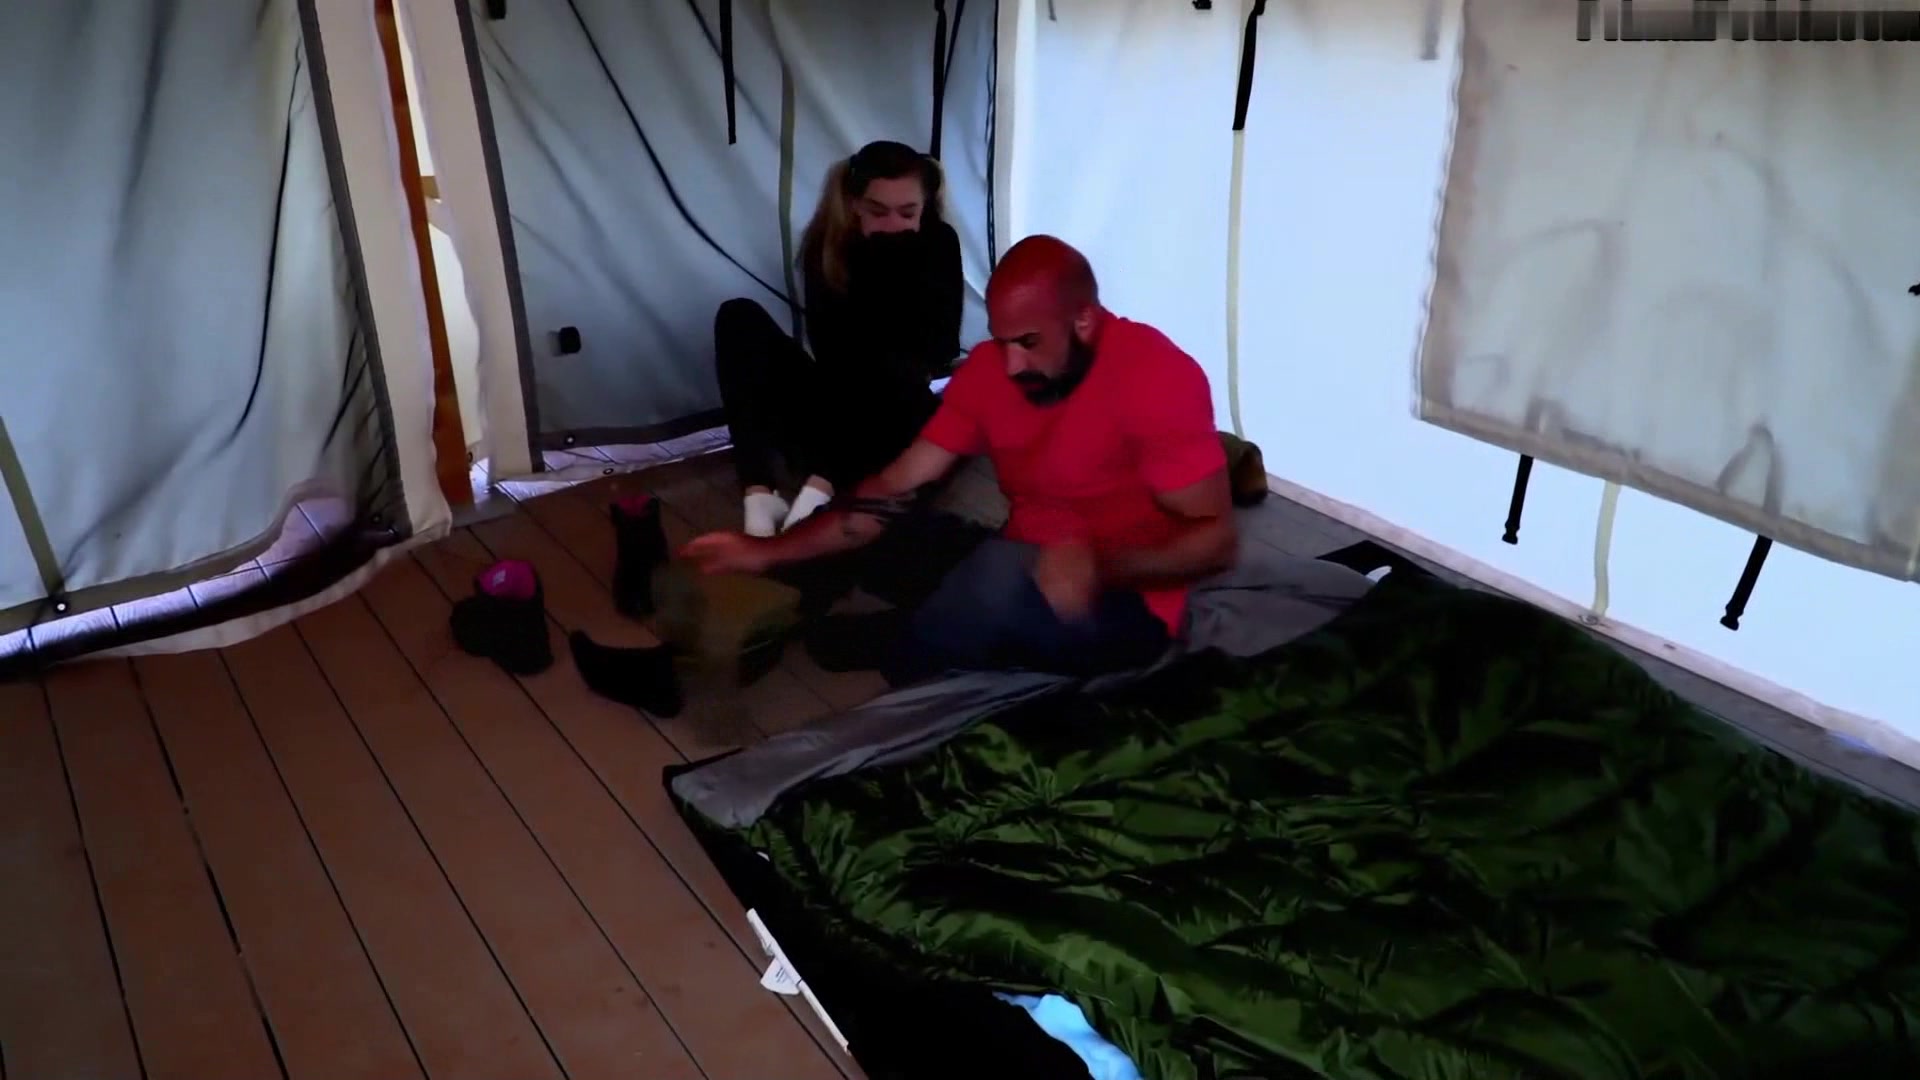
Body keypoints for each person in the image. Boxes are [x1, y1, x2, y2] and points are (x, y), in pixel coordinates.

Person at [683, 234, 1238, 685]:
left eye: (1028, 342)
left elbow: (1216, 542)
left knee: (990, 582)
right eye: (1000, 340)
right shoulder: (990, 371)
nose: (1012, 363)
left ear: (1084, 321)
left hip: (1126, 601)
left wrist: (1099, 566)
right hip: (1016, 557)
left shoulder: (1154, 378)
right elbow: (888, 493)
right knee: (880, 521)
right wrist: (765, 552)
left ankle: (906, 646)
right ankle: (750, 630)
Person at [711, 140, 964, 538]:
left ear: (925, 207)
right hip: (837, 410)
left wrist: (902, 267)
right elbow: (836, 356)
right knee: (738, 317)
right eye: (878, 212)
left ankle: (821, 490)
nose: (892, 225)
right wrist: (874, 264)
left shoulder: (939, 243)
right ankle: (758, 493)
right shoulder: (829, 245)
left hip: (892, 422)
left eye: (907, 213)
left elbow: (938, 351)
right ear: (854, 204)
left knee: (911, 387)